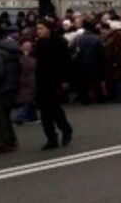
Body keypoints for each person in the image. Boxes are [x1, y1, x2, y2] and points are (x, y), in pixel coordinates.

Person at [35, 21, 73, 150]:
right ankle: (51, 139)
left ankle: (66, 129)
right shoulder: (39, 43)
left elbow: (67, 62)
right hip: (42, 81)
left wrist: (66, 80)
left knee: (55, 110)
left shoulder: (59, 42)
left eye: (41, 28)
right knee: (44, 113)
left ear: (48, 29)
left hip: (55, 81)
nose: (38, 31)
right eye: (37, 28)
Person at [0, 26, 21, 154]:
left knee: (0, 118)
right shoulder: (13, 48)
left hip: (2, 88)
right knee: (6, 116)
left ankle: (3, 144)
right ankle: (11, 141)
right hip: (12, 85)